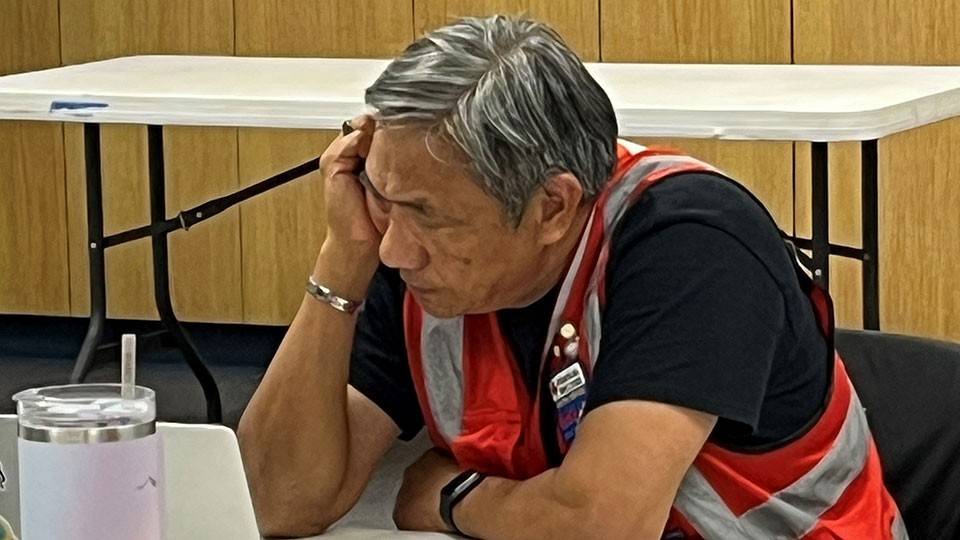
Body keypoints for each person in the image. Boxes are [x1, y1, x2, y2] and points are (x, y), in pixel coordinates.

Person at [238, 15, 905, 539]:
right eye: (383, 197)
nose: (396, 250)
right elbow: (275, 501)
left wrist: (455, 493)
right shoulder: (405, 243)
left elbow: (600, 525)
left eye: (428, 217)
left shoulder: (693, 241)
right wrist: (341, 257)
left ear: (552, 206)